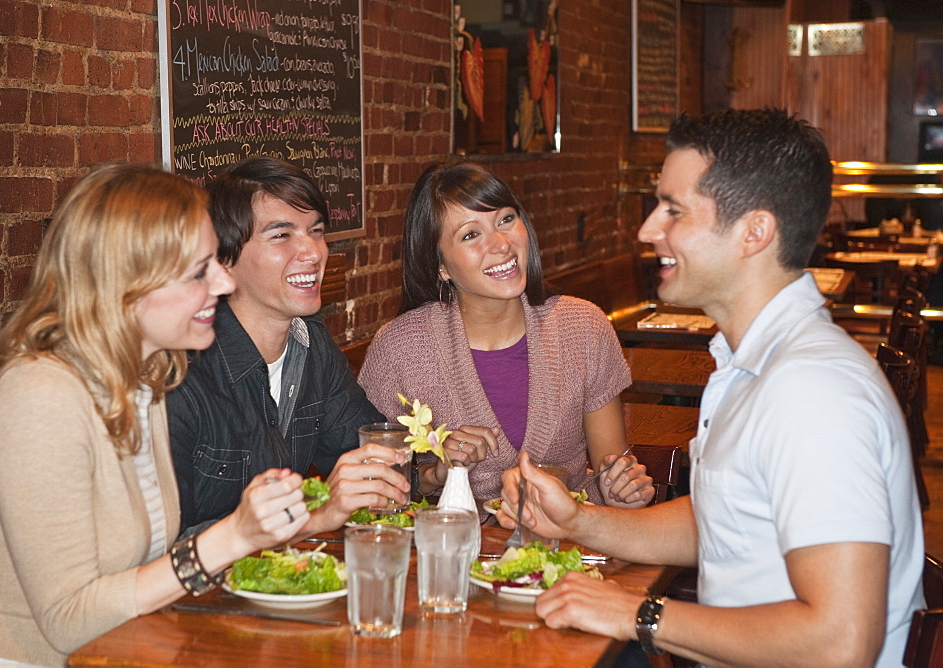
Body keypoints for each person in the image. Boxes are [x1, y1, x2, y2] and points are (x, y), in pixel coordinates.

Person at [497, 108, 925, 667]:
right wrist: (579, 521)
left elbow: (841, 642)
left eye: (673, 210)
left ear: (755, 232)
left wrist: (635, 613)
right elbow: (724, 520)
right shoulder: (751, 363)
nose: (648, 230)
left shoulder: (814, 391)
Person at [0, 165, 310, 666]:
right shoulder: (40, 396)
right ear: (126, 285)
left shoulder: (147, 375)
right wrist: (232, 537)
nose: (224, 282)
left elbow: (140, 574)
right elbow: (68, 619)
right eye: (200, 270)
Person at [358, 160, 653, 508]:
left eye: (506, 220)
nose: (501, 244)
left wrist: (622, 489)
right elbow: (374, 487)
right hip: (453, 549)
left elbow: (611, 473)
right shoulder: (399, 347)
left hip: (567, 545)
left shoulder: (582, 327)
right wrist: (438, 472)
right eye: (470, 235)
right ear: (440, 266)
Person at [167, 156, 407, 537]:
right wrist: (314, 517)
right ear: (223, 260)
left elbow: (370, 450)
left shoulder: (310, 344)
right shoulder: (181, 372)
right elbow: (163, 547)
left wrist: (433, 471)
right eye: (282, 235)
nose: (313, 252)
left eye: (316, 231)